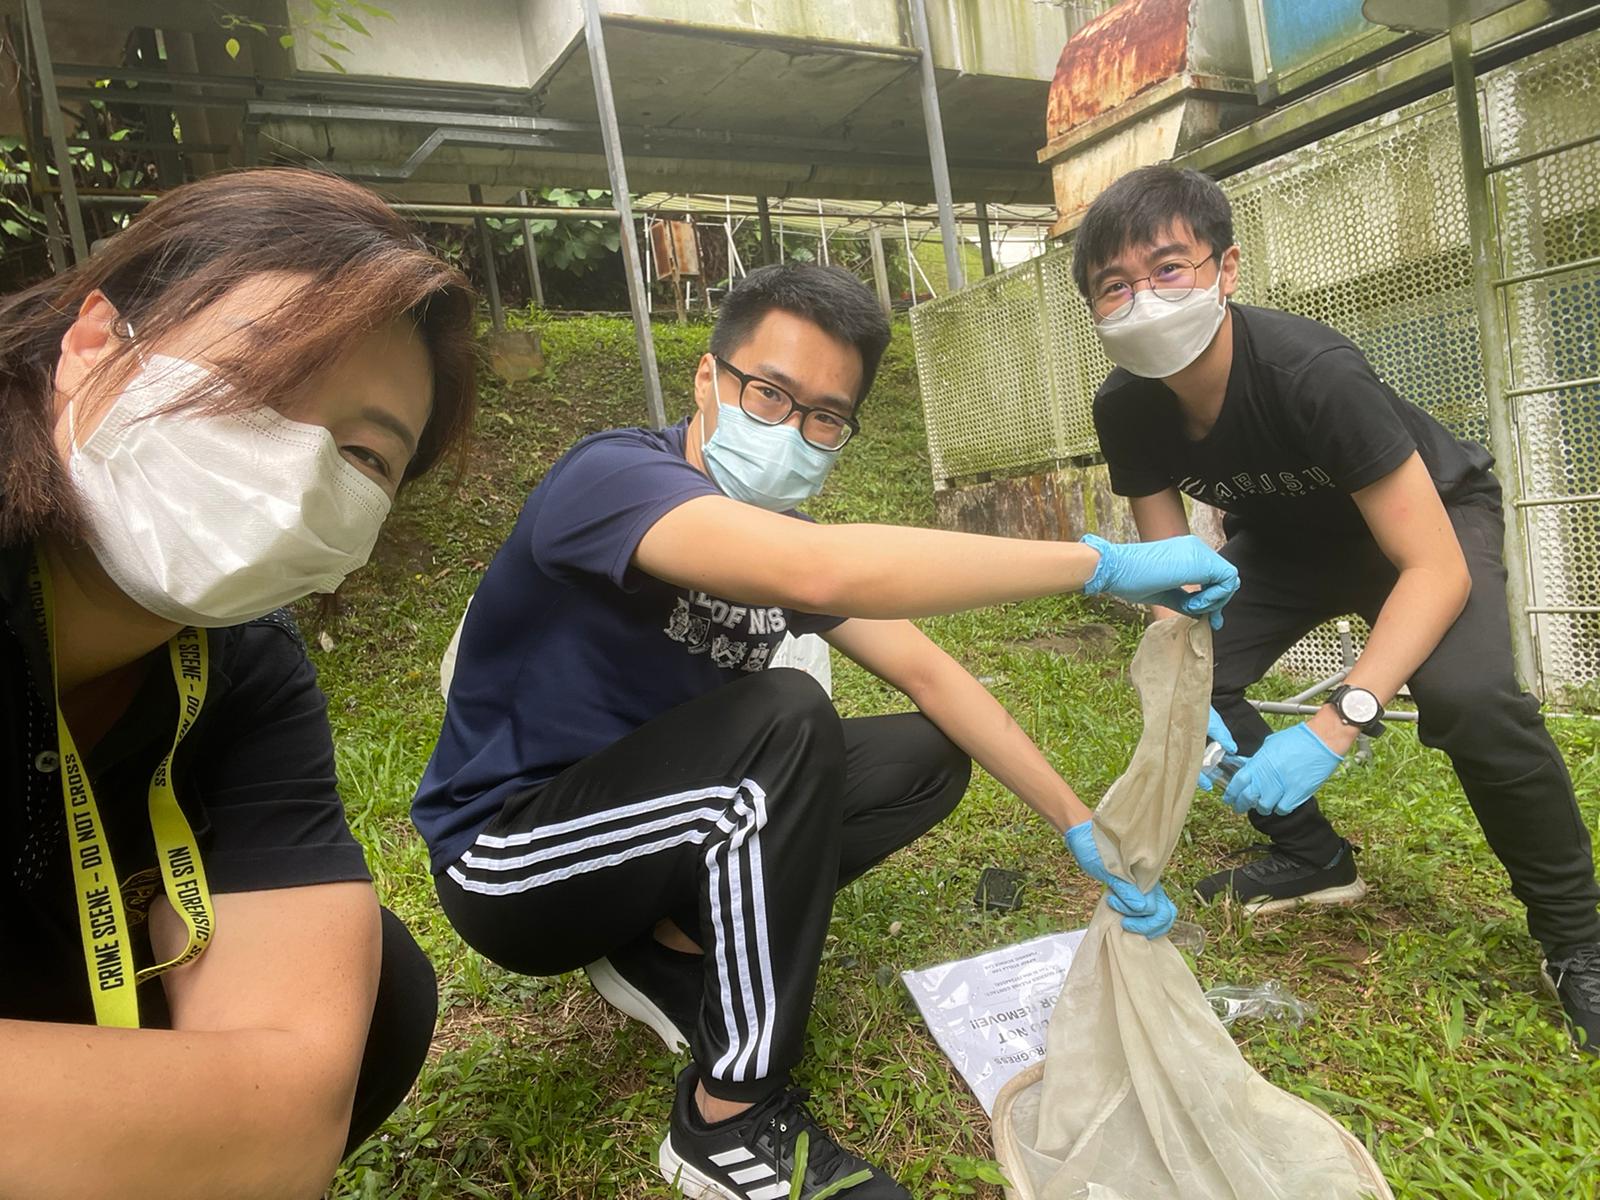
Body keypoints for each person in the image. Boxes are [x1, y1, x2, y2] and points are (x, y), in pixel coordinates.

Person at [412, 262, 1239, 1198]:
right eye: (770, 393)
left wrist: (1081, 824)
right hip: (511, 862)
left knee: (923, 757)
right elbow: (817, 573)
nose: (794, 430)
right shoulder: (613, 480)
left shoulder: (779, 531)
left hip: (646, 831)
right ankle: (727, 1119)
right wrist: (1097, 563)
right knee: (786, 719)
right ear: (706, 380)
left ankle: (667, 945)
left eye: (825, 417)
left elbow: (934, 675)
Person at [0, 167, 476, 1197]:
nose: (296, 468)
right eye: (255, 380)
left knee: (379, 992)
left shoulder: (244, 670)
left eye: (363, 454)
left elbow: (287, 1122)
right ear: (92, 347)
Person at [1075, 163, 1600, 1055]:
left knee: (1471, 700)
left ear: (1226, 269)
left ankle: (1579, 939)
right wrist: (1188, 704)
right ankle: (1314, 855)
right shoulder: (1125, 409)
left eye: (1169, 269)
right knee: (1192, 673)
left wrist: (1335, 722)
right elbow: (1178, 587)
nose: (1144, 301)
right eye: (1113, 286)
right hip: (1285, 542)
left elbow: (1432, 568)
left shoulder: (1310, 372)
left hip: (1428, 523)